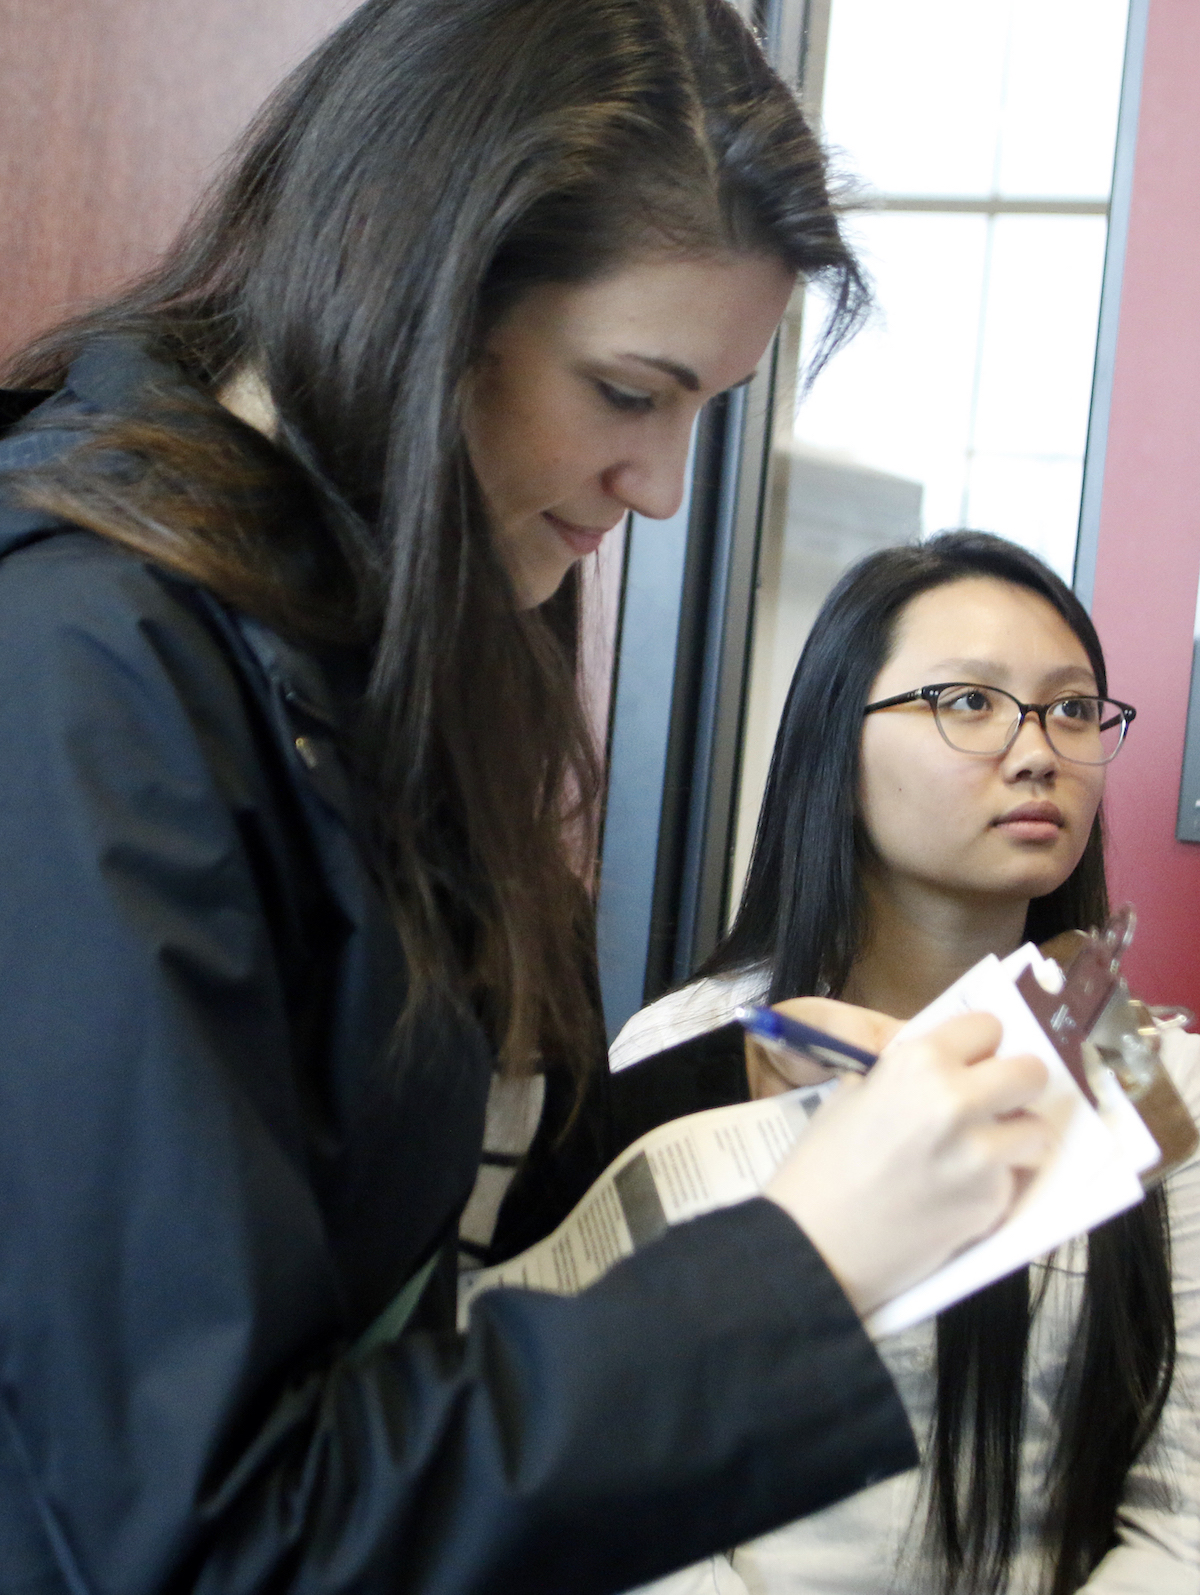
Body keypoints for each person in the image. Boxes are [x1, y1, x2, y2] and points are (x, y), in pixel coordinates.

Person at [0, 5, 1053, 1590]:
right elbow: (205, 1530)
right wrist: (806, 1266)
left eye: (702, 406)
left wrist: (769, 1142)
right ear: (415, 287)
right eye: (630, 390)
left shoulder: (361, 654)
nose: (664, 484)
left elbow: (413, 1247)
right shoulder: (87, 679)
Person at [611, 532, 1200, 1595]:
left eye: (1073, 708)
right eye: (969, 701)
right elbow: (618, 1461)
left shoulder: (1149, 1068)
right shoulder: (686, 1053)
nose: (1039, 751)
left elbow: (1187, 1515)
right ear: (838, 750)